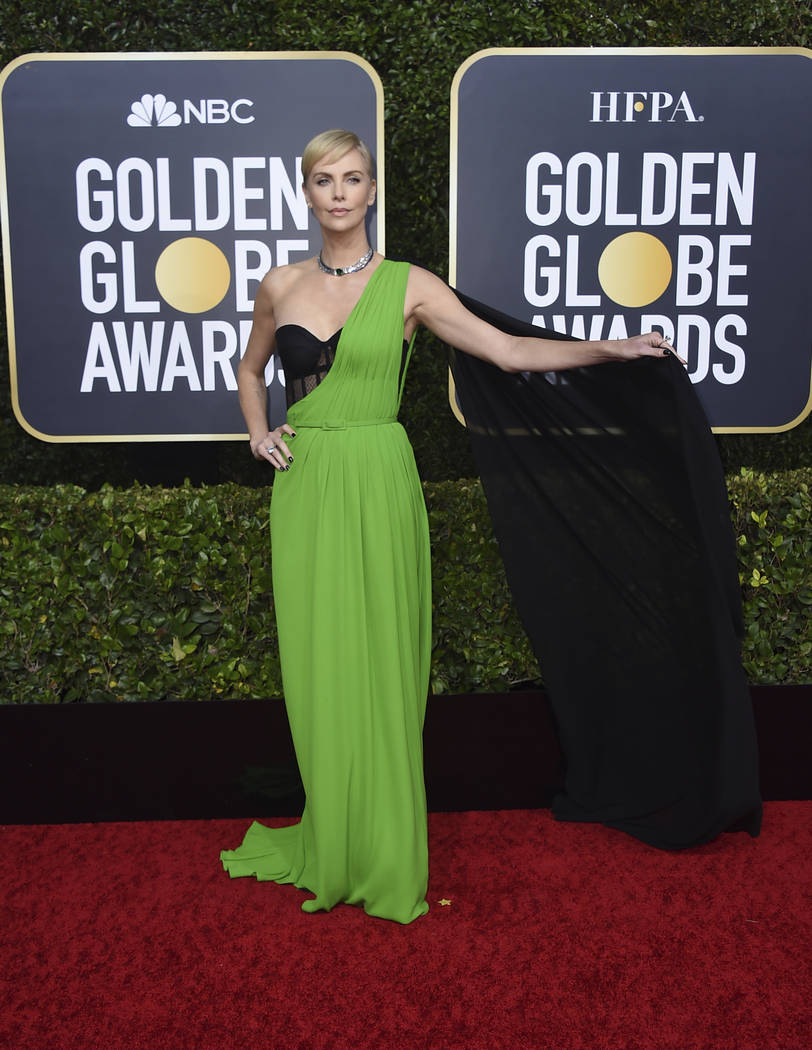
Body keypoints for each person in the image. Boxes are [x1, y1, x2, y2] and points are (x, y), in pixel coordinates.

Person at [221, 129, 758, 923]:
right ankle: (330, 835)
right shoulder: (279, 285)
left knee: (384, 667)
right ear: (306, 193)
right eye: (324, 180)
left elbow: (506, 352)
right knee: (317, 667)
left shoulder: (409, 287)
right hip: (308, 489)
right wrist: (258, 429)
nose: (339, 192)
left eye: (354, 178)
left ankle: (383, 848)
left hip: (379, 478)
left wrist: (609, 347)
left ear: (373, 192)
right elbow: (249, 366)